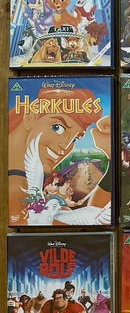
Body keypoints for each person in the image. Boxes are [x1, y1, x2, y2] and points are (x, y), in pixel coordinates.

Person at [8, 86, 108, 225]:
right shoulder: (17, 189)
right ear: (31, 116)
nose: (65, 147)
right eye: (57, 127)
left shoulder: (25, 183)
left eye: (75, 139)